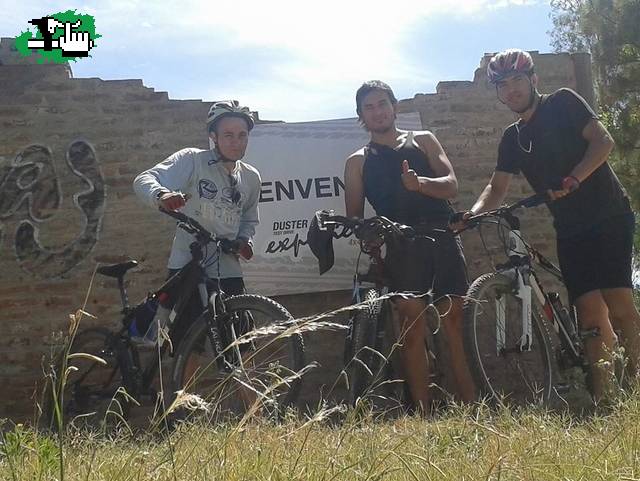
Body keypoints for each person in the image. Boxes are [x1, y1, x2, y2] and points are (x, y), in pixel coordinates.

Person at [451, 49, 640, 401]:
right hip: (569, 226)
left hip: (608, 213)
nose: (511, 90)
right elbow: (497, 186)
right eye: (503, 85)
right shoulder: (512, 138)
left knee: (618, 303)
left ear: (533, 80)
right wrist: (472, 215)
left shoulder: (563, 103)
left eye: (517, 81)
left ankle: (636, 386)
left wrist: (574, 178)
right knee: (587, 311)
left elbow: (603, 141)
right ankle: (605, 399)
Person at [344, 80, 476, 412]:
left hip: (441, 236)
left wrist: (420, 185)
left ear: (394, 106)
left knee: (454, 323)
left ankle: (472, 408)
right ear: (361, 116)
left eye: (382, 104)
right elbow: (356, 216)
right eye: (369, 107)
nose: (377, 112)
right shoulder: (357, 161)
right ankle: (423, 413)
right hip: (400, 245)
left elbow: (451, 186)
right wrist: (367, 234)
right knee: (411, 329)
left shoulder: (424, 140)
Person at [133, 99, 261, 309]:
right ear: (213, 136)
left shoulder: (251, 177)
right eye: (228, 135)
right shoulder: (193, 160)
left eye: (242, 135)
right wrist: (161, 195)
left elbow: (249, 218)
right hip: (189, 265)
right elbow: (144, 179)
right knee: (182, 335)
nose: (235, 142)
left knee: (240, 335)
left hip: (228, 269)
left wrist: (245, 240)